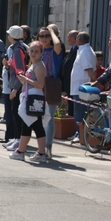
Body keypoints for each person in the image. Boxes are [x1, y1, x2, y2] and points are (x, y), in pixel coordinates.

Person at [9, 41, 49, 162]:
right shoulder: (34, 65)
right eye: (31, 51)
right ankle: (27, 152)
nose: (33, 53)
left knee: (33, 126)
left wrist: (26, 79)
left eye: (36, 51)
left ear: (41, 53)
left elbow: (40, 84)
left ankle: (27, 152)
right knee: (30, 125)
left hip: (34, 98)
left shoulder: (39, 66)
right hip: (30, 98)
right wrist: (24, 81)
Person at [36, 26, 63, 158]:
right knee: (38, 116)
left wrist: (51, 31)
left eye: (47, 36)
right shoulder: (37, 51)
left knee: (49, 117)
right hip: (36, 85)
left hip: (51, 84)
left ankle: (48, 147)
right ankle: (40, 146)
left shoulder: (54, 50)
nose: (44, 38)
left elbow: (57, 43)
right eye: (42, 36)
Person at [2, 25, 28, 151]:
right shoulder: (18, 48)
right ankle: (16, 138)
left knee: (17, 114)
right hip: (16, 84)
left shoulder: (17, 50)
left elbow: (20, 71)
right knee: (14, 113)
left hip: (17, 86)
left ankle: (18, 140)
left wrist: (15, 88)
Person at [70, 32, 96, 144]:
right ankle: (79, 133)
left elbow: (89, 70)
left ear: (79, 40)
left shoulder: (85, 51)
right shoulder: (83, 49)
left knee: (80, 112)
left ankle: (79, 134)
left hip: (82, 88)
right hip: (78, 87)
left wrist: (95, 82)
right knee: (79, 110)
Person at [59, 30, 78, 119]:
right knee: (70, 106)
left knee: (73, 107)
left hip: (72, 82)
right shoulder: (72, 49)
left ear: (74, 39)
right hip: (68, 83)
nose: (67, 40)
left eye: (69, 38)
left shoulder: (77, 50)